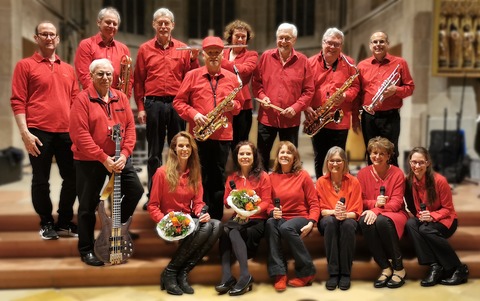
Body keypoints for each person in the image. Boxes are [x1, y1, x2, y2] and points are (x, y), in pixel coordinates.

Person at [69, 59, 144, 266]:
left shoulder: (119, 97)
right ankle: (86, 249)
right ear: (91, 76)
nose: (105, 78)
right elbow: (80, 135)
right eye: (100, 74)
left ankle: (116, 230)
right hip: (90, 160)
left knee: (136, 189)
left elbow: (129, 128)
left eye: (108, 74)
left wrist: (124, 155)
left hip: (119, 158)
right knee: (87, 205)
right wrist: (103, 158)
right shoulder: (82, 99)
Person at [10, 21, 79, 240]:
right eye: (44, 34)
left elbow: (76, 102)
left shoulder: (68, 69)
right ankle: (47, 222)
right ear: (36, 38)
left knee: (73, 178)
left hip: (67, 132)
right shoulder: (25, 65)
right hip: (38, 131)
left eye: (52, 34)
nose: (49, 38)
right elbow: (18, 101)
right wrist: (25, 133)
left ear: (58, 39)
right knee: (41, 180)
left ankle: (65, 221)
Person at [134, 8, 200, 209]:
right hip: (153, 104)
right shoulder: (145, 49)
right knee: (154, 152)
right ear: (154, 25)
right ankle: (153, 197)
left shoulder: (182, 48)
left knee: (181, 151)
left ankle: (179, 196)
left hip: (177, 104)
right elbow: (138, 81)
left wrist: (195, 58)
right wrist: (140, 107)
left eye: (167, 22)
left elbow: (193, 77)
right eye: (159, 22)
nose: (163, 26)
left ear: (173, 25)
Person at [173, 36, 242, 220]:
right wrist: (194, 114)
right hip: (198, 136)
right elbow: (178, 102)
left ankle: (216, 219)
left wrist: (232, 106)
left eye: (217, 53)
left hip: (223, 135)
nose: (213, 56)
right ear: (203, 55)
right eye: (209, 52)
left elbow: (239, 106)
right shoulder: (192, 75)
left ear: (222, 55)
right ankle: (198, 215)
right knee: (198, 177)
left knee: (218, 178)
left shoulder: (231, 77)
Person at [147, 131, 222, 295]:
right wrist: (166, 221)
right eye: (181, 145)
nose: (185, 149)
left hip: (188, 221)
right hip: (169, 223)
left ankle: (182, 272)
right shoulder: (161, 172)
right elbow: (152, 206)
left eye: (188, 146)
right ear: (174, 148)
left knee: (216, 225)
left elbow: (198, 202)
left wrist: (202, 212)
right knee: (206, 228)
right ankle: (171, 271)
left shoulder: (195, 172)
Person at [252, 23, 314, 170]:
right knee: (261, 157)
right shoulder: (266, 56)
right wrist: (262, 96)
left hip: (290, 120)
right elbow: (256, 83)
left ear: (294, 40)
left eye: (287, 38)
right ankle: (262, 186)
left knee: (289, 159)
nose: (283, 42)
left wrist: (296, 107)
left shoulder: (303, 61)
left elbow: (309, 90)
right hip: (267, 118)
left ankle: (288, 188)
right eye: (280, 38)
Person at [405, 147, 469, 286]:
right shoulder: (409, 181)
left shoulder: (440, 181)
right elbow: (410, 204)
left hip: (446, 220)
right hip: (425, 219)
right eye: (414, 162)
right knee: (410, 224)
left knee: (425, 230)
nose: (417, 166)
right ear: (409, 162)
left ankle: (458, 268)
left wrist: (432, 216)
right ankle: (435, 266)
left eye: (421, 162)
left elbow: (448, 209)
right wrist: (419, 215)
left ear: (427, 163)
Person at [216, 141, 272, 296]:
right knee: (225, 230)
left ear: (254, 156)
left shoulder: (263, 176)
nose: (245, 157)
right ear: (236, 156)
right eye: (242, 154)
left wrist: (250, 212)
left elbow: (267, 202)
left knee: (230, 230)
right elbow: (227, 203)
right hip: (238, 219)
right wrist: (232, 201)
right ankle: (227, 276)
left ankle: (244, 275)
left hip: (257, 220)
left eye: (248, 154)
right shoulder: (232, 178)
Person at [266, 141, 320, 292]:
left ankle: (306, 272)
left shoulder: (303, 176)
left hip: (300, 217)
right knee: (270, 223)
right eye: (282, 152)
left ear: (294, 157)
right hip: (281, 218)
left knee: (286, 227)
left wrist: (311, 222)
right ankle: (280, 273)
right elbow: (268, 203)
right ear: (277, 156)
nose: (285, 155)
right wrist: (272, 211)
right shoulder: (271, 177)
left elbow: (314, 203)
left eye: (288, 152)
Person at [306, 28, 360, 179]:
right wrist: (307, 107)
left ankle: (339, 188)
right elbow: (303, 88)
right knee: (320, 156)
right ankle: (321, 189)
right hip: (317, 117)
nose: (332, 47)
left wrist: (345, 95)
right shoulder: (309, 63)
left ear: (341, 45)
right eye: (329, 43)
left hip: (339, 119)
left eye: (336, 44)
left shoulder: (350, 64)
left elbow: (356, 87)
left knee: (338, 156)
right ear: (322, 43)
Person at [357, 137, 408, 288]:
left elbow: (397, 203)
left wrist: (376, 210)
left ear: (388, 156)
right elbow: (360, 201)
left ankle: (399, 268)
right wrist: (374, 205)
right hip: (373, 211)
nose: (377, 156)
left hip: (396, 213)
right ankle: (385, 267)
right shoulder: (362, 174)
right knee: (364, 221)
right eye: (374, 153)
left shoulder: (397, 173)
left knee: (382, 220)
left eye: (381, 153)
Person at [357, 31, 415, 167]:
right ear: (370, 45)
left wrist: (396, 90)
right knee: (371, 152)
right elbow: (358, 92)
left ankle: (393, 186)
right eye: (375, 42)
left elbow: (410, 87)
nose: (378, 44)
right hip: (368, 117)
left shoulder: (400, 63)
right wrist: (355, 116)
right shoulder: (362, 66)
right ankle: (372, 185)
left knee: (391, 152)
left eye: (382, 41)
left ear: (388, 44)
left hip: (390, 117)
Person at [315, 146, 363, 291]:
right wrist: (335, 213)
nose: (335, 164)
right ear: (327, 162)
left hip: (348, 218)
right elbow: (321, 210)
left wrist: (344, 215)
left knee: (348, 224)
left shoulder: (354, 181)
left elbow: (356, 211)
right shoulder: (321, 182)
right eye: (331, 161)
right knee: (330, 222)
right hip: (328, 218)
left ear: (344, 162)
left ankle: (345, 273)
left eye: (338, 161)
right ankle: (334, 273)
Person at [74, 7, 133, 97]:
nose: (112, 26)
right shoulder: (86, 45)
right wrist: (103, 97)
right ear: (98, 22)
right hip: (93, 99)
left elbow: (128, 79)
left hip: (117, 100)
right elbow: (84, 76)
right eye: (108, 22)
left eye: (115, 24)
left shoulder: (123, 49)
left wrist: (124, 99)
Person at [222, 20, 258, 151]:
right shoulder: (223, 53)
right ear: (231, 36)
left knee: (240, 142)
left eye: (244, 37)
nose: (241, 39)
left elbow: (244, 70)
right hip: (222, 101)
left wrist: (221, 62)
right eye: (238, 36)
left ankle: (240, 170)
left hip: (243, 103)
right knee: (223, 140)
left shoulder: (251, 55)